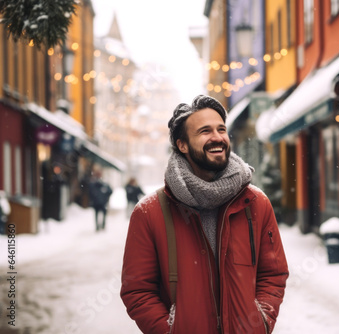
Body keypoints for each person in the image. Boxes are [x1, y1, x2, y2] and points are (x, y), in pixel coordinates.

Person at [121, 95, 289, 334]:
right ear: (183, 145)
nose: (217, 137)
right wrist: (169, 330)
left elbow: (273, 274)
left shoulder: (256, 203)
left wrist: (260, 321)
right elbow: (137, 290)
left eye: (221, 129)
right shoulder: (150, 212)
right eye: (205, 131)